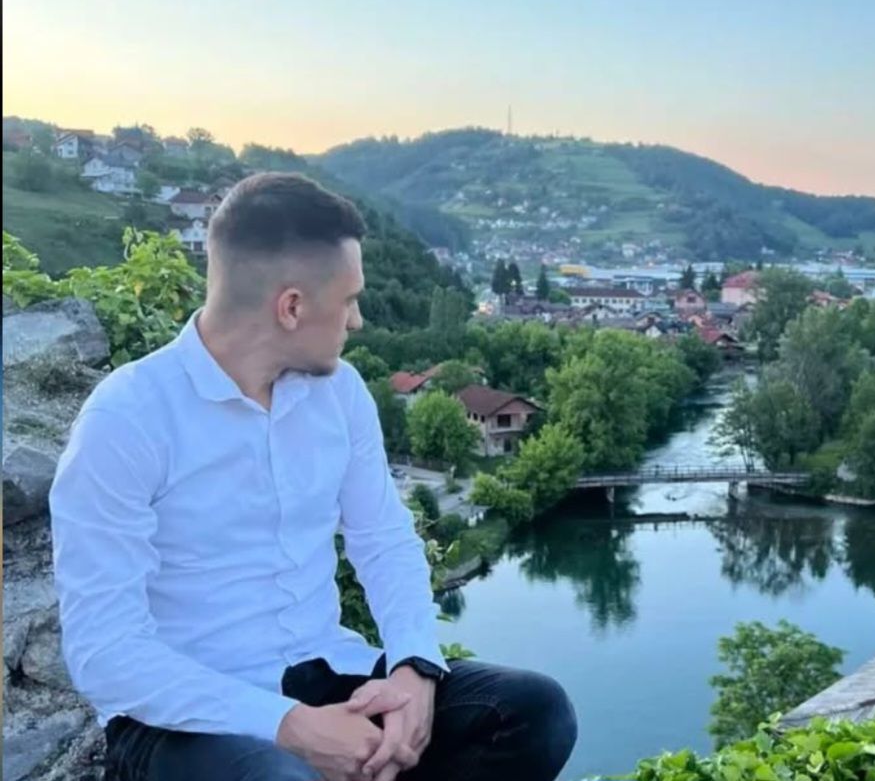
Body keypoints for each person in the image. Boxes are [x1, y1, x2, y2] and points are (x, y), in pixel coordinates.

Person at [50, 172, 577, 781]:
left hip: (325, 671)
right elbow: (104, 652)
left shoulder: (341, 394)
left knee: (534, 712)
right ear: (292, 307)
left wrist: (414, 665)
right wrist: (289, 727)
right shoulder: (127, 418)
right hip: (185, 718)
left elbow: (384, 539)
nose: (357, 321)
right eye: (349, 300)